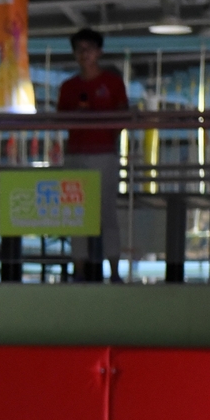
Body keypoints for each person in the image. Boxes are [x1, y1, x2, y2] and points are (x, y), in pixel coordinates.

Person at [56, 27, 129, 283]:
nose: (83, 54)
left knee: (107, 212)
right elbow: (61, 120)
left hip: (104, 154)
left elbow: (123, 116)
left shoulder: (112, 83)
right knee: (77, 214)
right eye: (79, 50)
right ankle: (79, 269)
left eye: (88, 49)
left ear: (98, 52)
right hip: (76, 154)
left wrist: (104, 128)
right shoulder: (68, 87)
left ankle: (115, 271)